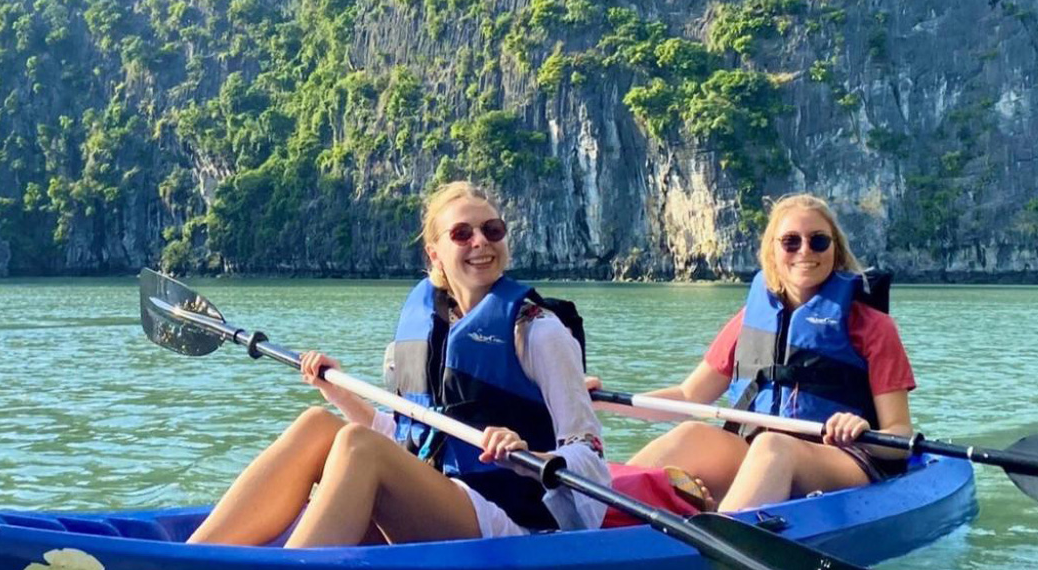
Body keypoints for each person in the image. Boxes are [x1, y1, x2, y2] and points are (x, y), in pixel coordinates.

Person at [188, 181, 612, 548]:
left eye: (492, 230)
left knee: (358, 446)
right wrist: (337, 392)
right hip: (444, 497)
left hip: (516, 523)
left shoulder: (539, 331)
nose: (481, 241)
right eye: (462, 234)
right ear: (435, 255)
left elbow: (589, 455)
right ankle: (194, 560)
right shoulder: (428, 329)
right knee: (317, 423)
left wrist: (524, 452)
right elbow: (410, 441)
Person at [620, 193, 916, 511]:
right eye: (790, 242)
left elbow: (899, 437)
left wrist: (862, 431)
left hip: (841, 460)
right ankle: (591, 515)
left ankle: (721, 532)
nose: (805, 251)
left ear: (835, 248)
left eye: (818, 241)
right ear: (772, 251)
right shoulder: (748, 320)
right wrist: (597, 401)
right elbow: (689, 395)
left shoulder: (873, 326)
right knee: (689, 433)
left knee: (774, 445)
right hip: (757, 452)